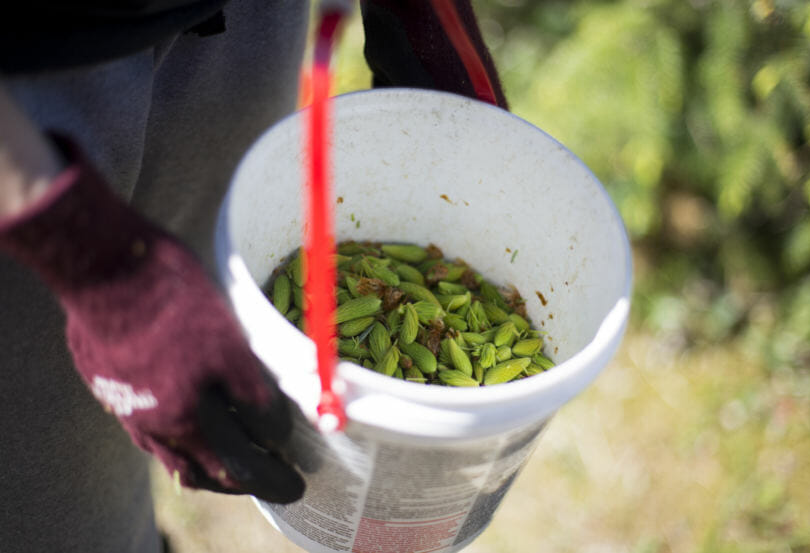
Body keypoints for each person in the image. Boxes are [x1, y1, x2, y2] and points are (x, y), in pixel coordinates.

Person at [0, 1, 507, 552]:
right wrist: (86, 257)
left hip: (244, 25)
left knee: (180, 364)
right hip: (28, 92)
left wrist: (421, 19)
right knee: (44, 491)